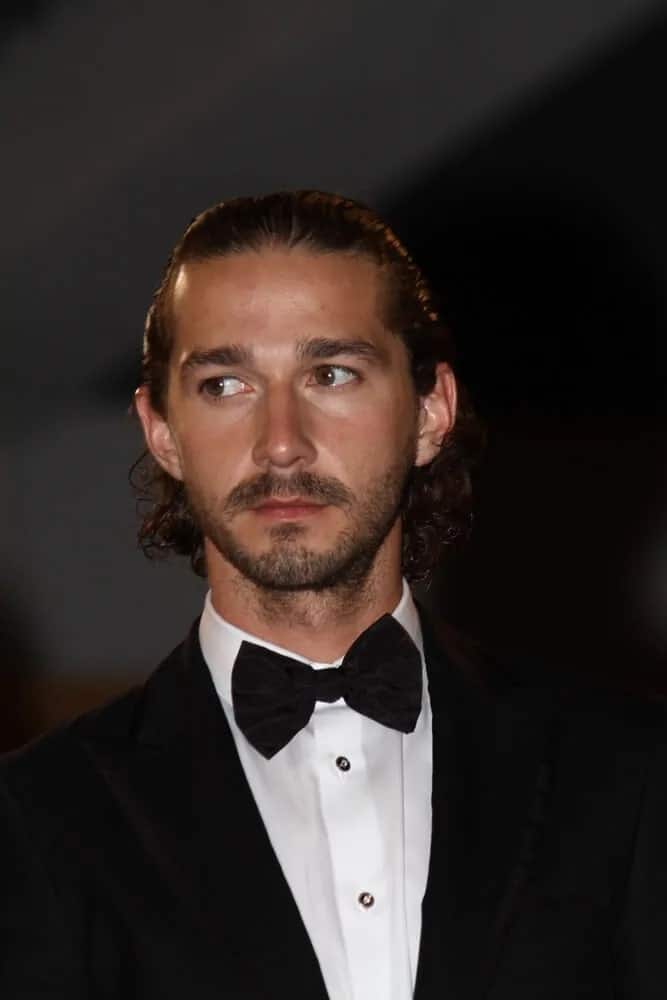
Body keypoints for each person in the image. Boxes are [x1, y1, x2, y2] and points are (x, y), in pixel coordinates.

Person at [1, 191, 666, 1000]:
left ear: (430, 412)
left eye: (332, 373)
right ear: (161, 431)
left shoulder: (626, 779)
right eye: (224, 384)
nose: (281, 440)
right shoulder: (35, 821)